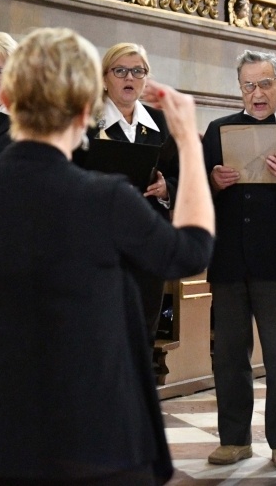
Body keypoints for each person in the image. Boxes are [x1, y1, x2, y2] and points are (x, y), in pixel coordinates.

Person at [0, 27, 214, 486]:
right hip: (92, 439)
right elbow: (192, 252)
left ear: (12, 101)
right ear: (85, 112)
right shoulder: (105, 198)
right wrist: (190, 146)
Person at [202, 50, 276, 470]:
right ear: (240, 89)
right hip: (230, 260)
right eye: (249, 85)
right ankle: (234, 440)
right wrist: (213, 183)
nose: (257, 93)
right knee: (230, 355)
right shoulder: (218, 130)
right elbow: (196, 193)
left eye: (265, 83)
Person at [84, 42, 179, 346]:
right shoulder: (85, 122)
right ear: (104, 78)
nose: (129, 78)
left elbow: (184, 174)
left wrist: (167, 189)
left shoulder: (162, 123)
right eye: (120, 70)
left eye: (137, 71)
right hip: (100, 243)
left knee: (142, 330)